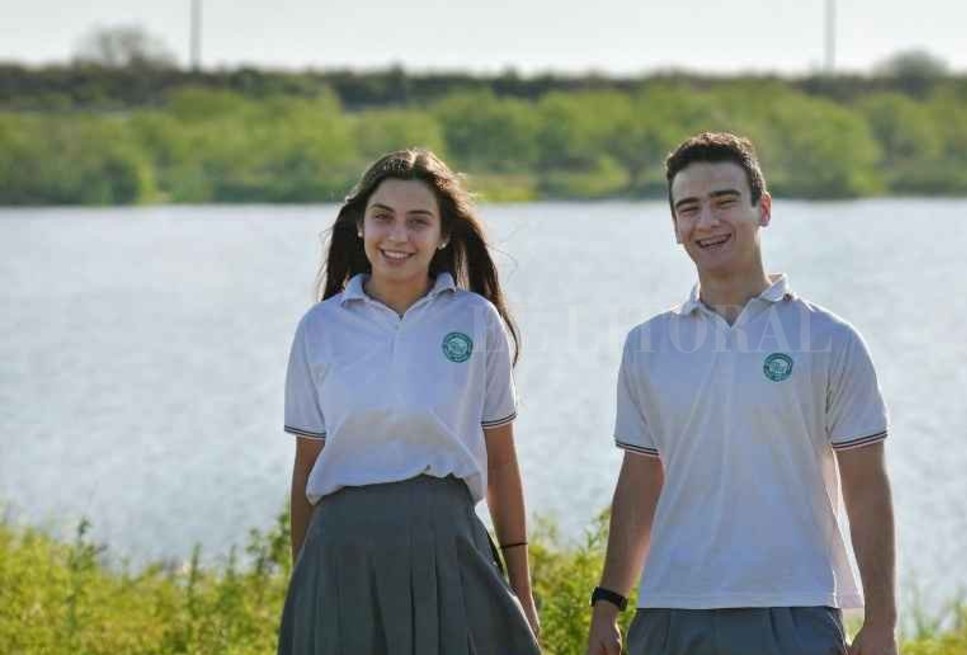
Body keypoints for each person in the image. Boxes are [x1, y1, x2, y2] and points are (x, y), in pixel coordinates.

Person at [586, 132, 898, 655]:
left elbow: (867, 489)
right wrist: (607, 603)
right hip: (669, 612)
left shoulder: (828, 341)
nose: (706, 222)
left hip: (795, 609)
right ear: (675, 226)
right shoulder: (648, 345)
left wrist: (882, 622)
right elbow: (641, 481)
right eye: (689, 208)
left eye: (725, 201)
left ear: (764, 209)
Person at [278, 148, 541, 655]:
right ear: (359, 225)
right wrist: (304, 589)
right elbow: (306, 468)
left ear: (443, 235)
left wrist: (522, 591)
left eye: (418, 221)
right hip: (341, 557)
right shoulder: (320, 329)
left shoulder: (474, 320)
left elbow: (502, 462)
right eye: (383, 217)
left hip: (449, 547)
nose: (398, 236)